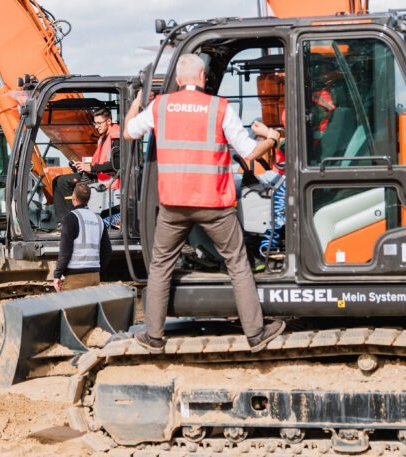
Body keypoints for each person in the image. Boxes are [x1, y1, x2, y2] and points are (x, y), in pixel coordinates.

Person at [124, 53, 286, 354]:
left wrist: (136, 101)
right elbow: (249, 152)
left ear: (177, 79)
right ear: (202, 78)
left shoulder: (160, 106)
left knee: (161, 266)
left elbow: (128, 131)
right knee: (237, 263)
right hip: (215, 204)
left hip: (173, 205)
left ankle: (154, 337)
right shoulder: (219, 108)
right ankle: (255, 334)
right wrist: (273, 139)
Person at [52, 108, 121, 221]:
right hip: (97, 175)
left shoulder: (116, 138)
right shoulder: (103, 138)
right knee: (57, 181)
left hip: (108, 182)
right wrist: (83, 166)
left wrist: (90, 168)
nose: (96, 126)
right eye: (95, 123)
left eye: (99, 123)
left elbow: (117, 165)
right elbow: (99, 161)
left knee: (63, 182)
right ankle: (64, 220)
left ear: (108, 121)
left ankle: (71, 220)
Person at [53, 183, 111, 292]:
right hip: (94, 275)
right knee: (91, 308)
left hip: (76, 276)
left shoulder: (71, 218)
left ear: (74, 197)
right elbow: (107, 251)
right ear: (88, 199)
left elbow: (65, 251)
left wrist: (57, 275)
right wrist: (97, 270)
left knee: (70, 308)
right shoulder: (98, 219)